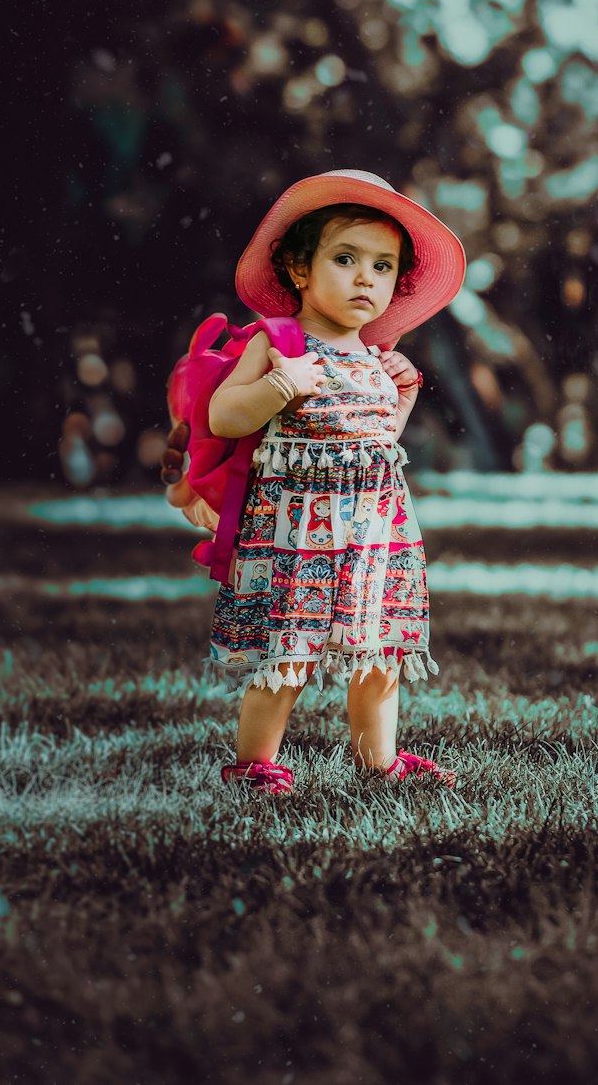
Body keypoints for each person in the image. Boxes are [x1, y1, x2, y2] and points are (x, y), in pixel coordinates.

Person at [195, 169, 465, 794]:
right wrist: (279, 385)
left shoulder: (379, 357)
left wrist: (402, 393)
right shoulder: (279, 344)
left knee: (380, 652)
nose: (366, 278)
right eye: (346, 259)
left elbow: (379, 443)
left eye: (382, 266)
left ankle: (380, 760)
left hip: (375, 526)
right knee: (288, 649)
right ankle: (255, 761)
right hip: (299, 529)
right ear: (297, 268)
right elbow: (223, 414)